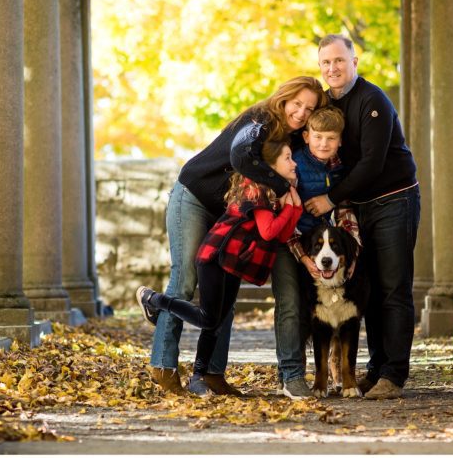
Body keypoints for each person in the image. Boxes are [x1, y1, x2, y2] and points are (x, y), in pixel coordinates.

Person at [147, 76, 326, 396]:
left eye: (309, 109)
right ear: (284, 98)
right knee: (185, 279)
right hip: (194, 197)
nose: (300, 113)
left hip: (228, 212)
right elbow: (241, 155)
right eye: (296, 103)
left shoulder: (294, 141)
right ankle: (163, 364)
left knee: (224, 296)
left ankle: (211, 373)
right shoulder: (259, 120)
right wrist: (284, 188)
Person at [137, 131, 304, 396]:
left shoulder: (275, 192)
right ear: (270, 165)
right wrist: (292, 208)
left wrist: (293, 208)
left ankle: (198, 377)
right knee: (208, 318)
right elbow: (269, 231)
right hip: (215, 257)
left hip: (234, 260)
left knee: (215, 323)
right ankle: (154, 299)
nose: (294, 163)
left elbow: (282, 235)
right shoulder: (255, 189)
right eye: (287, 158)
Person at [303, 34, 420, 400]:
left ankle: (393, 374)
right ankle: (374, 369)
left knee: (393, 288)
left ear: (354, 62)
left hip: (392, 201)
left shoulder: (373, 101)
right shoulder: (326, 103)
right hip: (357, 209)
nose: (332, 68)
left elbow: (371, 163)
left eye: (339, 60)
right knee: (365, 290)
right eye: (326, 63)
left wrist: (329, 199)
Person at [271, 105, 360, 398]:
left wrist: (354, 248)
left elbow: (345, 206)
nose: (324, 144)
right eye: (318, 137)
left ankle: (339, 368)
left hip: (329, 248)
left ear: (340, 140)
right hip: (295, 242)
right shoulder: (294, 166)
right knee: (295, 307)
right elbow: (287, 214)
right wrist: (305, 258)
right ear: (306, 136)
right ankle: (291, 373)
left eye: (331, 138)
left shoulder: (341, 167)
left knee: (339, 316)